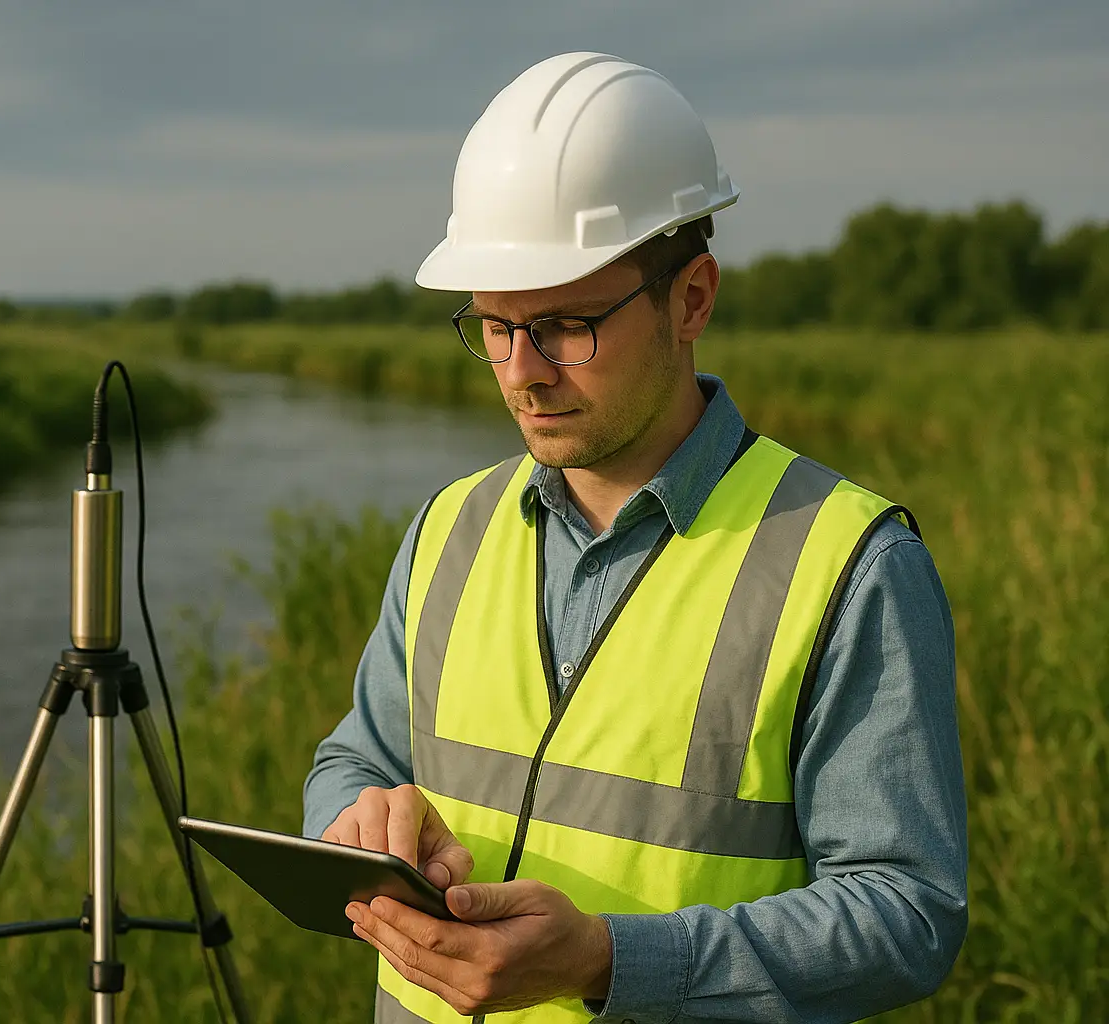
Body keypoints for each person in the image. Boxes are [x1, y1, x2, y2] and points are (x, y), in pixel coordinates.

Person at [302, 53, 967, 1023]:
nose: (522, 372)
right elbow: (352, 758)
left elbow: (907, 916)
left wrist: (612, 960)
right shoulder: (449, 529)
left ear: (692, 298)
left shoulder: (850, 565)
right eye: (492, 325)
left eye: (566, 323)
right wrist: (359, 823)